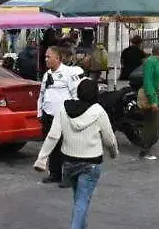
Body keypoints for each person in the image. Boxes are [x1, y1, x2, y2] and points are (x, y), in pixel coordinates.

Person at [35, 79, 118, 229]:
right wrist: (113, 153)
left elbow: (53, 136)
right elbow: (109, 139)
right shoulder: (99, 111)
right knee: (82, 200)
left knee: (79, 199)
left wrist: (41, 158)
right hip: (91, 163)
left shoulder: (63, 109)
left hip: (68, 162)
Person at [39, 46, 85, 185]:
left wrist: (74, 113)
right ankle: (54, 173)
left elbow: (76, 94)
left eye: (49, 57)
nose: (46, 59)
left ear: (58, 58)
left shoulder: (68, 73)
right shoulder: (47, 75)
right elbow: (42, 94)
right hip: (48, 115)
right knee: (52, 146)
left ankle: (69, 176)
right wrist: (39, 112)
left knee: (66, 147)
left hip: (64, 116)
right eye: (45, 56)